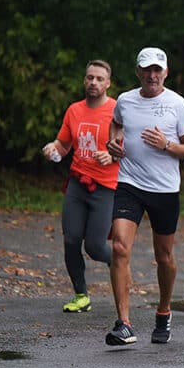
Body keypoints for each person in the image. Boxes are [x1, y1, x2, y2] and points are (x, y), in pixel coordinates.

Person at [103, 47, 184, 346]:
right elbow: (116, 124)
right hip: (129, 183)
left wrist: (167, 145)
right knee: (119, 247)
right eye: (147, 69)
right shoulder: (126, 100)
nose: (152, 75)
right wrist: (113, 142)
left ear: (166, 73)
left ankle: (164, 311)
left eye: (157, 69)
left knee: (165, 257)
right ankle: (125, 323)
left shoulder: (177, 104)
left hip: (164, 190)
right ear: (138, 72)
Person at [42, 60, 120, 314]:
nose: (93, 83)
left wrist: (113, 155)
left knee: (96, 247)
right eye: (89, 78)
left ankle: (120, 262)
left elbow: (130, 147)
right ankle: (81, 295)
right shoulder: (74, 111)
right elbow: (64, 145)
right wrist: (53, 149)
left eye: (99, 79)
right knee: (72, 240)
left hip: (106, 186)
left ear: (108, 83)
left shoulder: (118, 110)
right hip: (77, 183)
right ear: (84, 81)